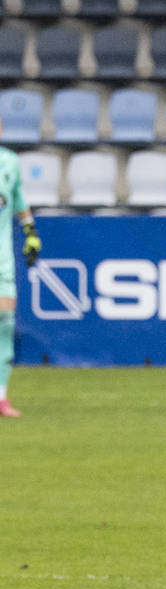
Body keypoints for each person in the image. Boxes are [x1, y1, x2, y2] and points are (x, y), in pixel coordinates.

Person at [1, 118, 42, 419]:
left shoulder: (10, 162)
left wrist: (30, 232)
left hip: (1, 258)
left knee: (4, 322)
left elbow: (17, 199)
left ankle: (0, 397)